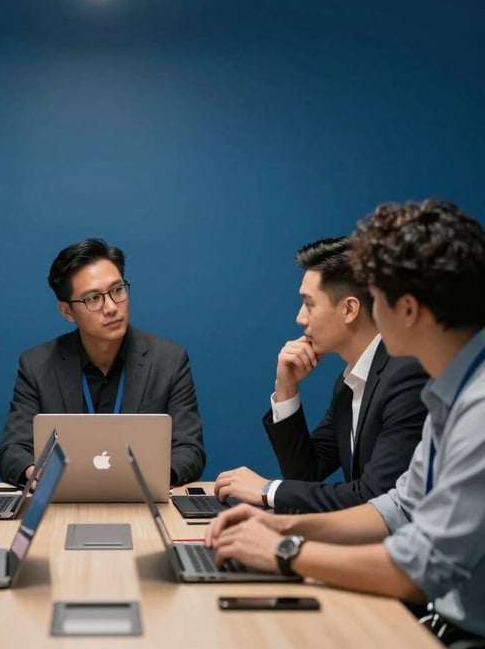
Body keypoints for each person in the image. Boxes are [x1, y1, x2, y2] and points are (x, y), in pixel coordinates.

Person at [205, 199, 485, 645]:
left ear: (407, 310)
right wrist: (282, 525)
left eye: (379, 297)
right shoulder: (449, 389)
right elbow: (398, 507)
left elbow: (421, 568)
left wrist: (284, 550)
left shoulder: (476, 404)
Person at [214, 237, 428, 513]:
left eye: (309, 304)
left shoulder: (406, 376)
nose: (300, 318)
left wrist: (267, 490)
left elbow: (376, 498)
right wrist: (286, 388)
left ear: (349, 309)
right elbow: (306, 474)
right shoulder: (350, 381)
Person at [0, 238, 205, 487]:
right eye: (93, 299)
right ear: (67, 312)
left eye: (117, 290)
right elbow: (12, 450)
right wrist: (34, 472)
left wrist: (155, 478)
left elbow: (190, 449)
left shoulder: (170, 361)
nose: (111, 307)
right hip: (64, 503)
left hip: (144, 499)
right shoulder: (37, 365)